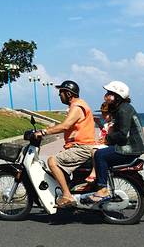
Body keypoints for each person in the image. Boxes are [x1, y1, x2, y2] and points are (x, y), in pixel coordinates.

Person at [34, 80, 95, 208]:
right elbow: (69, 126)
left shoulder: (77, 106)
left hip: (82, 148)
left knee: (52, 161)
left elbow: (65, 126)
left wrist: (43, 132)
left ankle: (67, 195)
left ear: (68, 93)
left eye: (61, 92)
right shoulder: (78, 105)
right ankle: (67, 189)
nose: (59, 95)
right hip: (80, 147)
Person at [88, 81, 144, 203]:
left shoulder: (124, 110)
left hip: (130, 148)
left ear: (117, 96)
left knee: (100, 155)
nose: (106, 96)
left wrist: (107, 139)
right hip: (128, 146)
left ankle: (102, 188)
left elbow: (122, 135)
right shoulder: (120, 108)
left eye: (109, 93)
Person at [76, 102, 113, 191]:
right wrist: (99, 124)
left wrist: (103, 141)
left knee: (94, 151)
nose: (104, 115)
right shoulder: (106, 124)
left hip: (106, 146)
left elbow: (110, 137)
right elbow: (104, 132)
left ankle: (93, 173)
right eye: (102, 113)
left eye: (106, 113)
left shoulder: (112, 125)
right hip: (102, 144)